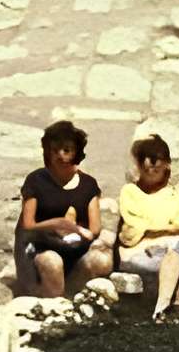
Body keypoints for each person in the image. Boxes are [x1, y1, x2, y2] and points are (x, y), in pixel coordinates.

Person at [16, 122, 112, 299]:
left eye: (67, 150)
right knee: (53, 263)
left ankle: (74, 302)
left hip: (76, 249)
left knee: (102, 261)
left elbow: (95, 228)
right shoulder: (36, 181)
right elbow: (28, 225)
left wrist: (79, 232)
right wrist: (56, 224)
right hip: (43, 248)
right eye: (55, 150)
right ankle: (55, 307)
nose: (61, 156)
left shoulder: (88, 184)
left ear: (76, 152)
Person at [116, 134, 179, 322]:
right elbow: (134, 228)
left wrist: (152, 229)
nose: (150, 163)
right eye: (144, 157)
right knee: (176, 240)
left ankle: (161, 309)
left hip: (167, 253)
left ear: (166, 163)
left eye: (156, 158)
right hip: (137, 254)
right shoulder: (130, 192)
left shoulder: (178, 196)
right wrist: (170, 227)